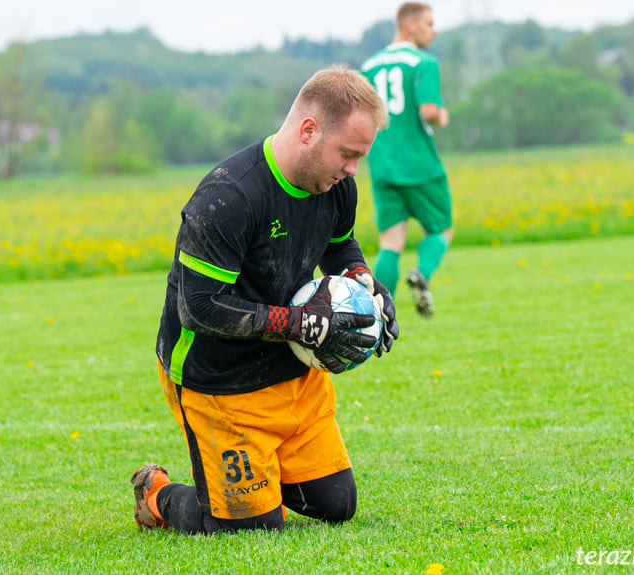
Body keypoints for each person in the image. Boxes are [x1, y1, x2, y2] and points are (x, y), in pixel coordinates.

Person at [131, 65, 400, 535]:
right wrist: (296, 323)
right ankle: (157, 495)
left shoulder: (337, 187)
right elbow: (199, 307)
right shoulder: (228, 196)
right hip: (217, 381)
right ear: (309, 130)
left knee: (336, 505)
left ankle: (257, 481)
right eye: (348, 154)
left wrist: (364, 285)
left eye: (360, 158)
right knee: (250, 528)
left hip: (290, 374)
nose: (353, 169)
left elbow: (339, 246)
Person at [361, 2, 453, 318]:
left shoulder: (369, 67)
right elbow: (428, 110)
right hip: (419, 164)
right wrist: (442, 114)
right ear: (410, 25)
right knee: (441, 230)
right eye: (429, 23)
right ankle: (422, 273)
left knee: (390, 243)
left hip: (382, 165)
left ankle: (380, 312)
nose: (434, 30)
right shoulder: (424, 62)